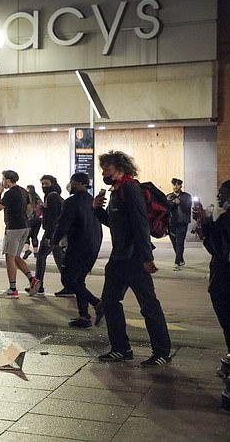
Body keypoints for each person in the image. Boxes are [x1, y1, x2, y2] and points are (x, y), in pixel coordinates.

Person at [93, 151, 172, 366]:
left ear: (120, 168)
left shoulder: (130, 188)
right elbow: (117, 223)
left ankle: (162, 352)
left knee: (148, 305)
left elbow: (140, 223)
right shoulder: (117, 191)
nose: (104, 173)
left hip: (134, 258)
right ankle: (121, 348)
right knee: (109, 302)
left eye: (107, 169)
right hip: (119, 258)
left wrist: (146, 257)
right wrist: (97, 211)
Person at [51, 173, 103, 328]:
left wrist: (54, 241)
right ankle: (84, 316)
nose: (70, 185)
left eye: (73, 182)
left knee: (68, 280)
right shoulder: (91, 201)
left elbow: (63, 224)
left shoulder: (71, 202)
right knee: (79, 280)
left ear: (80, 184)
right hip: (92, 245)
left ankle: (97, 303)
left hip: (78, 246)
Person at [195, 180, 230, 392]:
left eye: (222, 193)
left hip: (225, 280)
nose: (218, 196)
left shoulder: (227, 219)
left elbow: (219, 249)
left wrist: (207, 224)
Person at [0, 170, 41, 298]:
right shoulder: (23, 191)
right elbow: (29, 209)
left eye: (3, 179)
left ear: (8, 180)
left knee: (9, 258)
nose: (3, 182)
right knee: (16, 256)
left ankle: (12, 289)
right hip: (25, 226)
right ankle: (32, 279)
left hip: (14, 228)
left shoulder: (9, 193)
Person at [33, 175, 70, 297]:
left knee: (41, 256)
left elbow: (54, 217)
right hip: (56, 231)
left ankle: (39, 286)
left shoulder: (52, 196)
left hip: (52, 231)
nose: (44, 186)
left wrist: (49, 236)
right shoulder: (54, 195)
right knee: (59, 258)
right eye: (42, 184)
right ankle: (69, 285)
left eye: (46, 184)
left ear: (52, 183)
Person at [166, 178, 192, 270]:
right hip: (172, 223)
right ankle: (181, 259)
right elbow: (166, 209)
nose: (175, 187)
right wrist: (172, 202)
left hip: (182, 222)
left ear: (181, 186)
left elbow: (187, 208)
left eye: (177, 185)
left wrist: (180, 203)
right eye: (174, 184)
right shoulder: (169, 196)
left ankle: (177, 263)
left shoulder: (187, 196)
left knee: (179, 243)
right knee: (174, 243)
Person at [22, 184, 43, 259]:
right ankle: (36, 252)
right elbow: (42, 206)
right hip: (38, 220)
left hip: (29, 220)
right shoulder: (37, 197)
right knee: (34, 236)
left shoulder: (26, 198)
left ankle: (27, 250)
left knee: (26, 237)